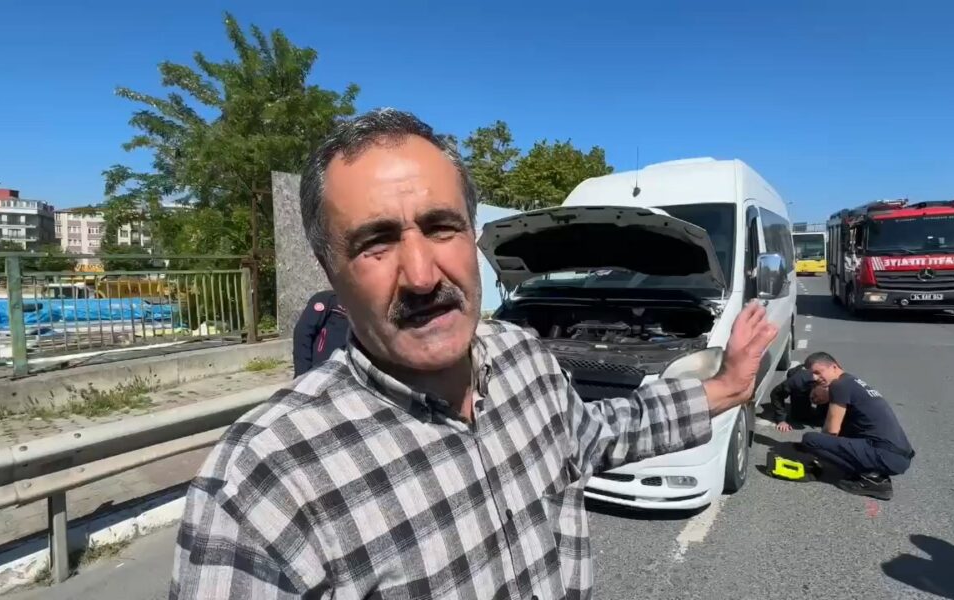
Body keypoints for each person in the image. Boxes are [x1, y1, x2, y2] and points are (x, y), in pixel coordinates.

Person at [170, 108, 778, 599]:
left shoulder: (522, 357)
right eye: (376, 242)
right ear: (329, 269)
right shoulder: (263, 485)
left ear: (471, 234)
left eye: (441, 227)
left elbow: (594, 434)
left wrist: (723, 387)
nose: (421, 274)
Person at [800, 352, 915, 501]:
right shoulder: (852, 381)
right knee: (844, 431)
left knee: (810, 440)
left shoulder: (839, 385)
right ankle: (872, 469)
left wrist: (816, 455)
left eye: (818, 372)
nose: (815, 378)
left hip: (886, 455)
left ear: (834, 366)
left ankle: (872, 479)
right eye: (812, 375)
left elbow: (831, 431)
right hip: (900, 454)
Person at [291, 289, 350, 377]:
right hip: (320, 369)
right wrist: (302, 373)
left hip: (346, 373)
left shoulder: (363, 308)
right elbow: (303, 333)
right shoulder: (328, 299)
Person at [768, 364, 828, 432]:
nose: (815, 400)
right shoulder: (799, 381)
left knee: (824, 419)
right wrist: (781, 420)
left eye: (820, 400)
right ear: (814, 386)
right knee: (800, 417)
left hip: (823, 390)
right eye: (815, 396)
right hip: (801, 379)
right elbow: (776, 394)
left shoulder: (836, 390)